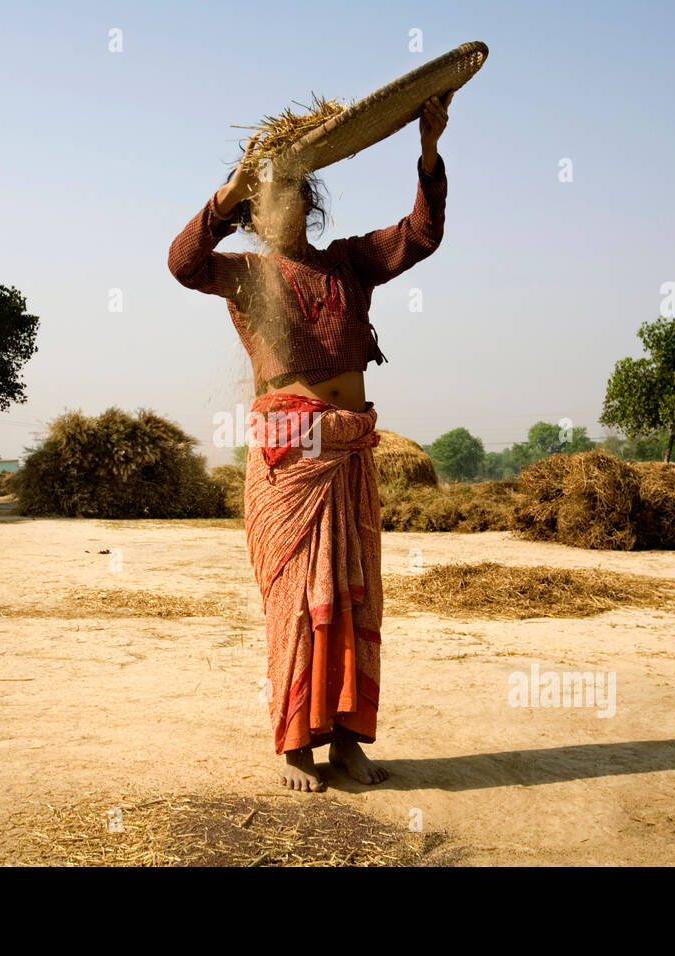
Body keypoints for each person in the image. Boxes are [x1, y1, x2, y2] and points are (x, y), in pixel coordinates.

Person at [168, 94, 451, 792]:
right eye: (267, 200)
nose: (282, 208)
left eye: (293, 193)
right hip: (290, 467)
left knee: (355, 602)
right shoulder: (242, 274)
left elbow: (421, 233)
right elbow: (180, 263)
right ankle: (297, 745)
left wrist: (428, 150)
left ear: (310, 204)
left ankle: (349, 743)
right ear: (253, 216)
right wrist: (223, 195)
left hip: (350, 457)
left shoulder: (350, 265)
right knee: (299, 603)